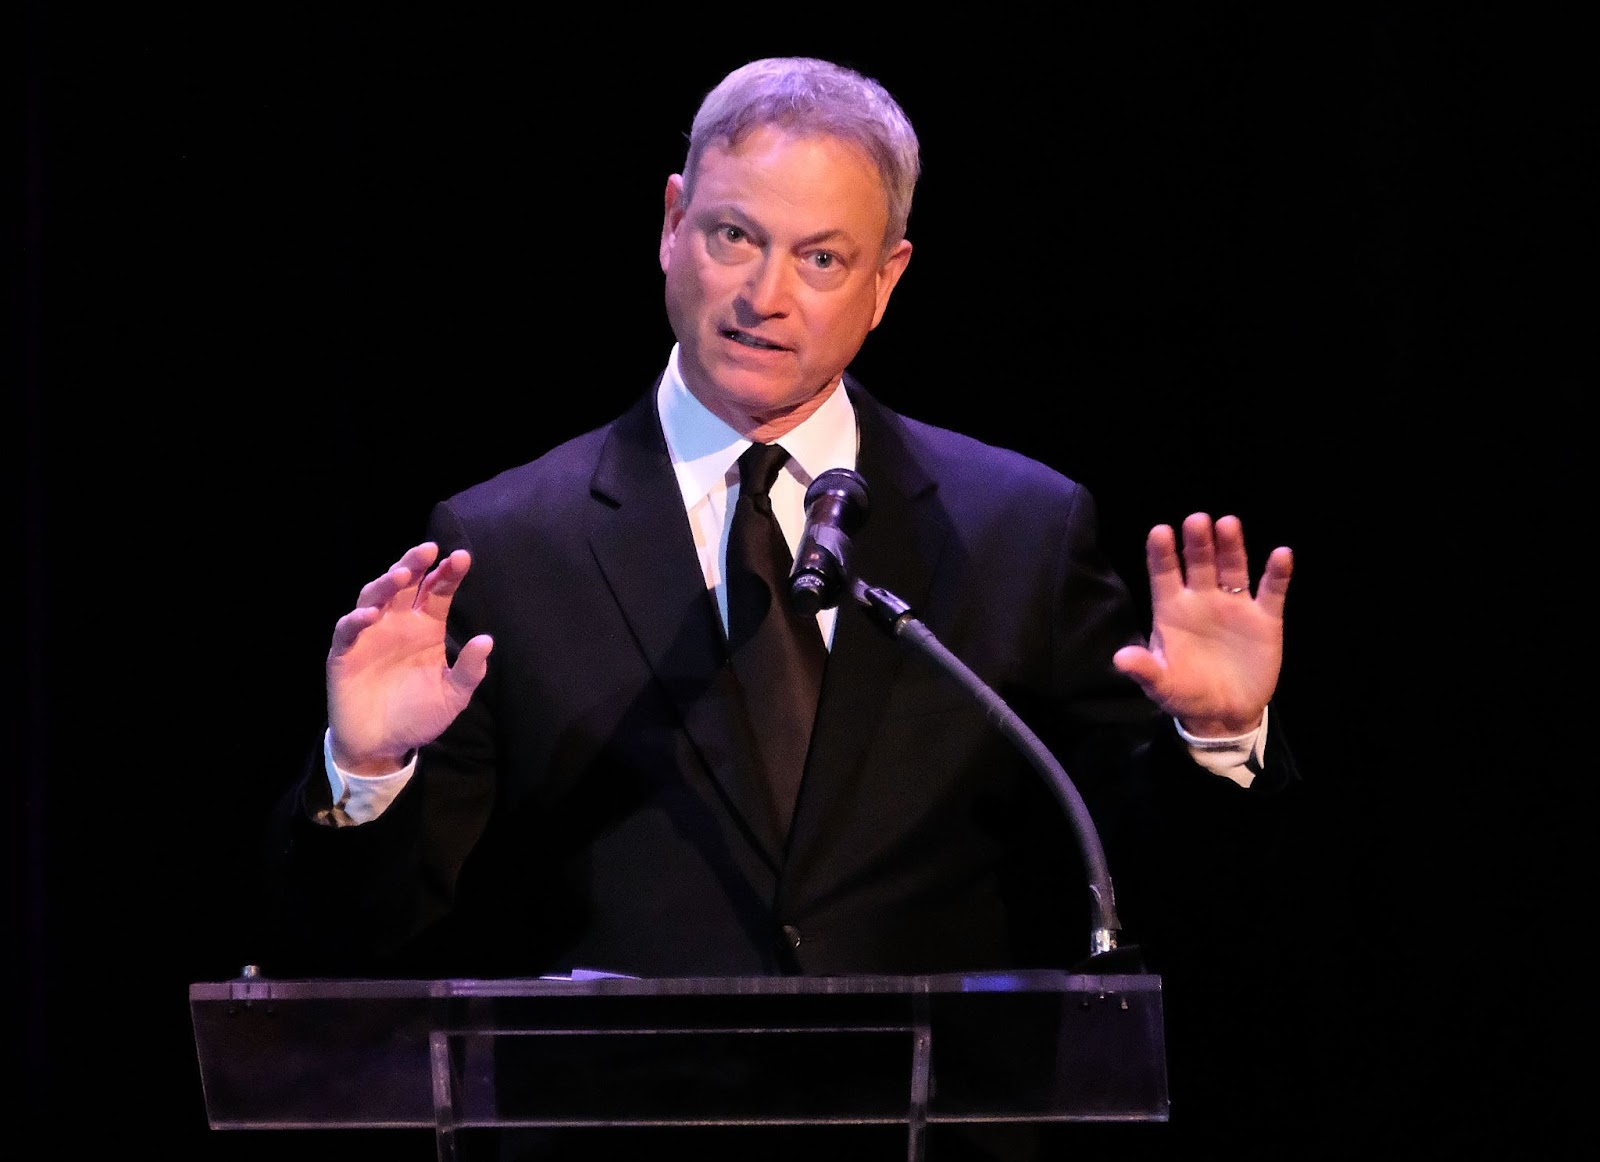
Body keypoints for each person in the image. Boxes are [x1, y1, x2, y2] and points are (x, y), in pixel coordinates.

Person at [259, 55, 1299, 1161]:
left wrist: (1217, 739)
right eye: (733, 238)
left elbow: (1180, 899)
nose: (765, 296)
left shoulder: (1017, 531)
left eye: (821, 258)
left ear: (887, 278)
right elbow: (359, 940)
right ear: (670, 223)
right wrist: (365, 775)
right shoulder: (508, 543)